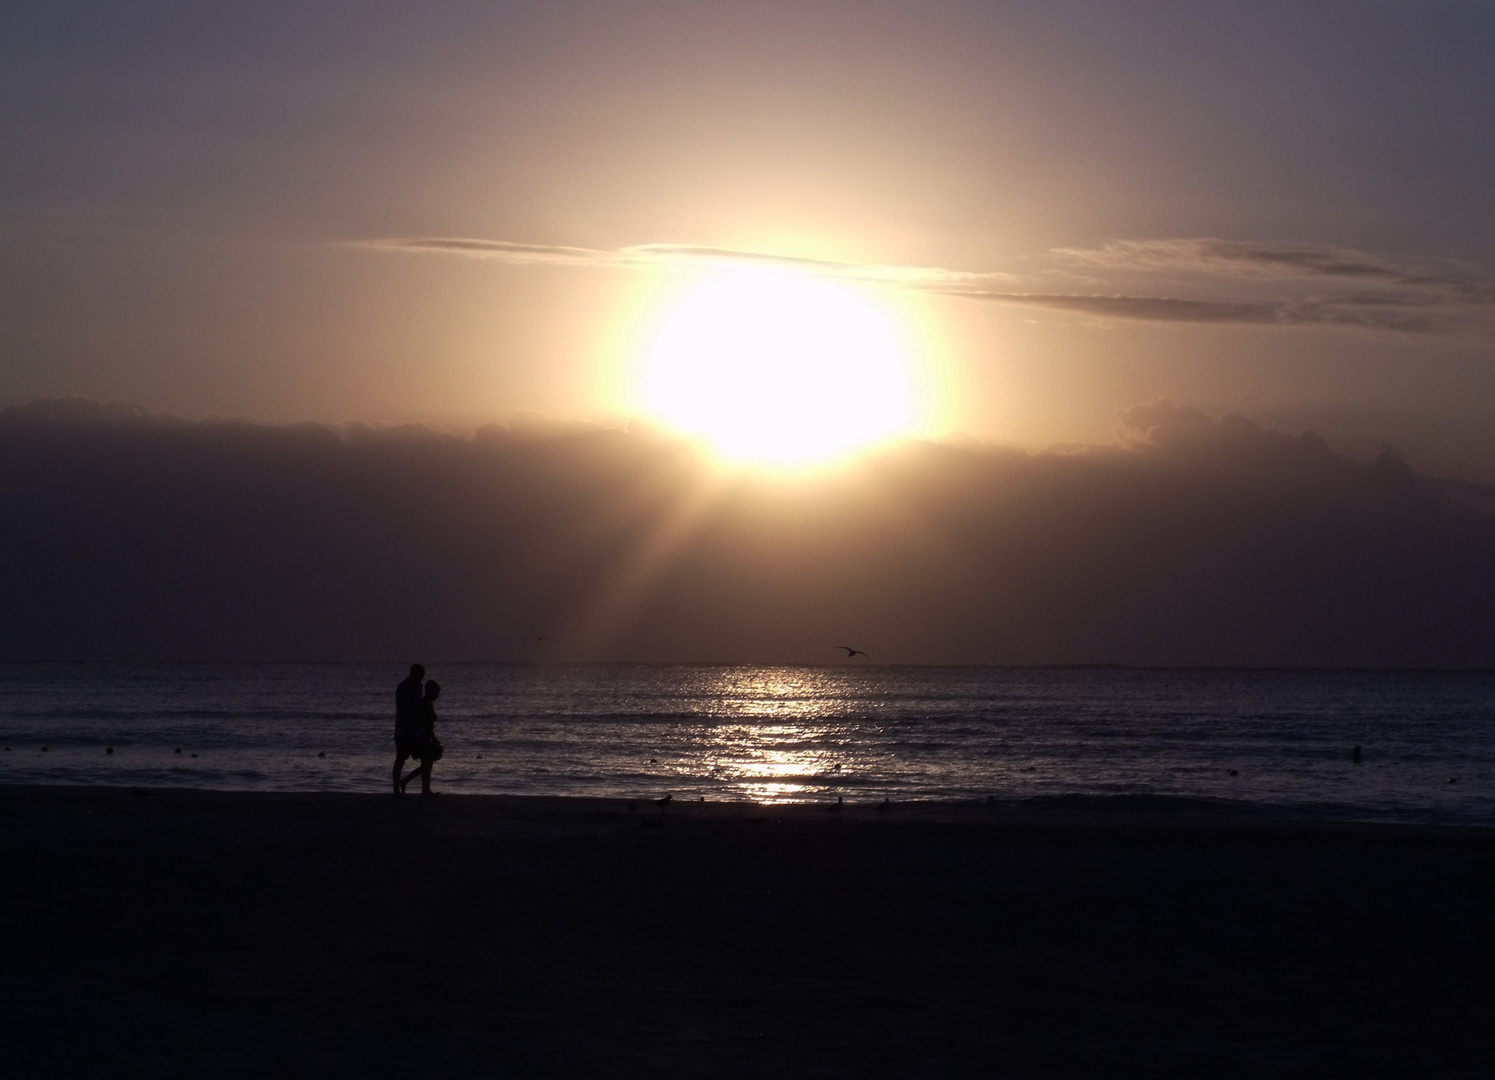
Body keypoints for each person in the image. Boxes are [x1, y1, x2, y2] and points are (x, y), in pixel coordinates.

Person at [400, 679, 442, 797]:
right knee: (427, 764)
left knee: (427, 764)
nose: (438, 696)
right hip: (422, 738)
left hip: (427, 737)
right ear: (430, 691)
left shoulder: (428, 704)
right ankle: (405, 781)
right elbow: (424, 724)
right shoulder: (423, 704)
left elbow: (430, 725)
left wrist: (434, 738)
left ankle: (425, 789)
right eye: (436, 693)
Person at [392, 663, 426, 796]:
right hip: (404, 730)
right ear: (414, 674)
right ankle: (396, 789)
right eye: (420, 674)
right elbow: (402, 708)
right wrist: (404, 729)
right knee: (400, 759)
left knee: (425, 759)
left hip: (417, 729)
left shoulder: (419, 686)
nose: (422, 677)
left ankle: (409, 783)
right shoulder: (403, 687)